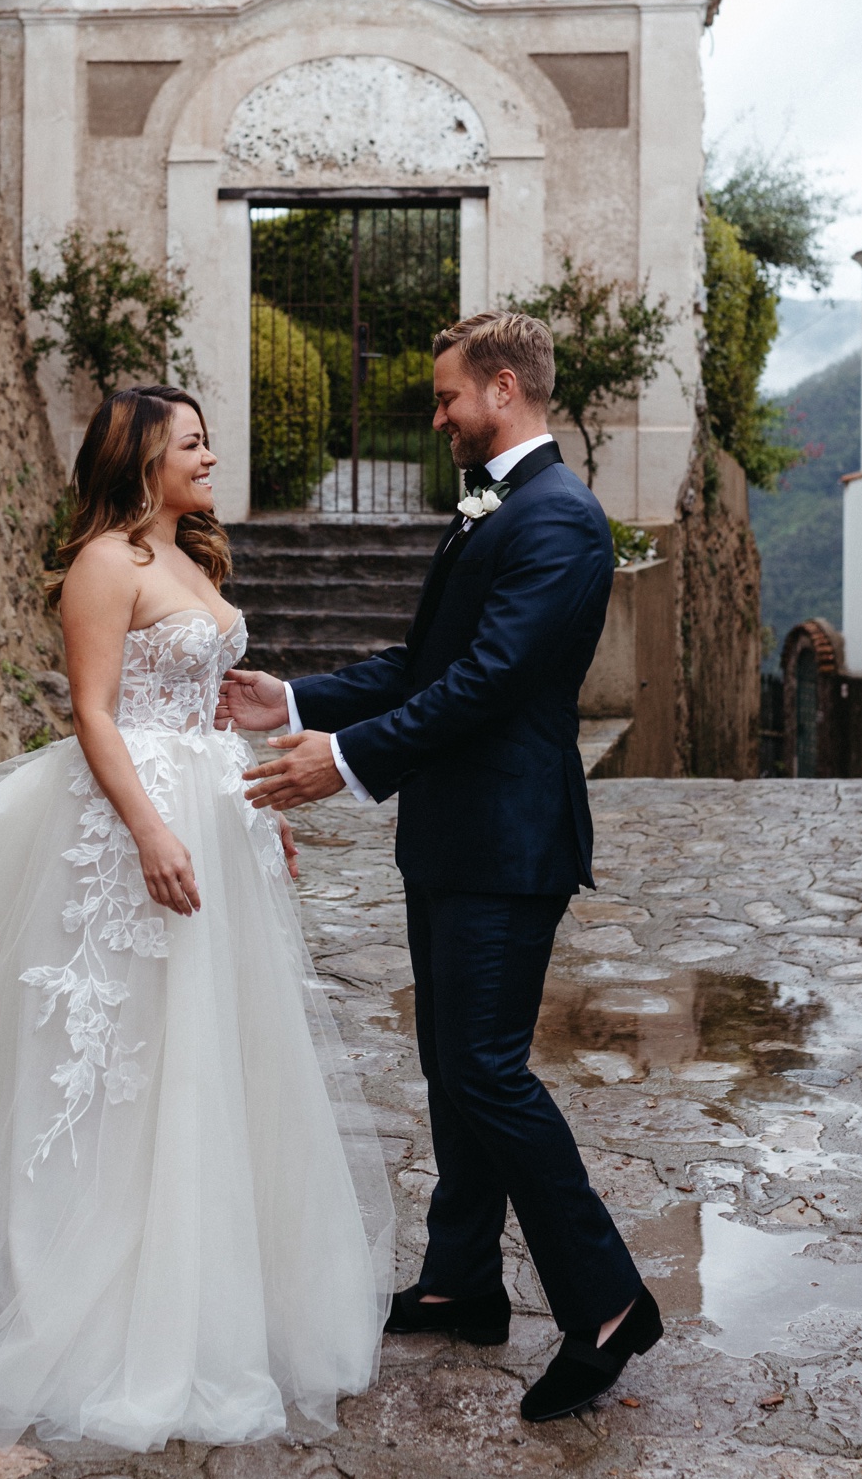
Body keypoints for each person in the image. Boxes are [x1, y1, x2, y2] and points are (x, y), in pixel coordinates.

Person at [0, 385, 393, 1452]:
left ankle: (201, 1267)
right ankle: (79, 1275)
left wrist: (256, 811)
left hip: (212, 815)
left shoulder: (190, 558)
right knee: (117, 1056)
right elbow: (93, 710)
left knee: (211, 1049)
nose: (209, 457)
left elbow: (200, 708)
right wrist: (149, 830)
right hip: (129, 823)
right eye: (191, 443)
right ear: (143, 458)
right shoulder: (107, 564)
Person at [219, 312, 661, 1421]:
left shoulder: (561, 519)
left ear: (503, 389)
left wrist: (349, 762)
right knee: (453, 1067)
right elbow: (428, 662)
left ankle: (606, 1302)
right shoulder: (498, 508)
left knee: (486, 1071)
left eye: (448, 396)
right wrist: (299, 700)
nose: (439, 415)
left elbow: (493, 682)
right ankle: (462, 1277)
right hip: (454, 838)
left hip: (509, 845)